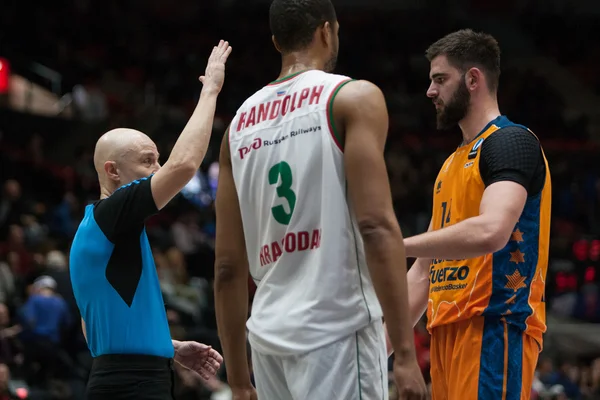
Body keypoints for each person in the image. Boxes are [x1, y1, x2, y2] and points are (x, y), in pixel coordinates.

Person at [213, 1, 427, 399]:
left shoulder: (237, 128)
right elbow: (376, 226)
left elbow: (227, 267)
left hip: (267, 342)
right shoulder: (352, 97)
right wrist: (404, 353)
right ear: (327, 31)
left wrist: (240, 383)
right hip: (337, 332)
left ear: (277, 42)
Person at [386, 29, 552, 400]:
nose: (431, 91)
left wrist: (394, 244)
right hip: (445, 333)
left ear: (473, 79)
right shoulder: (450, 165)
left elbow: (493, 230)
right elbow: (422, 272)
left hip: (494, 328)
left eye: (440, 79)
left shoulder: (511, 142)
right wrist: (376, 351)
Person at [69, 40, 231, 400]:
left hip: (127, 377)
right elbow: (184, 165)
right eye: (147, 160)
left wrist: (166, 346)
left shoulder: (98, 231)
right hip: (131, 384)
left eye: (157, 159)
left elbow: (93, 325)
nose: (157, 169)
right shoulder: (111, 213)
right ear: (112, 171)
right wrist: (211, 89)